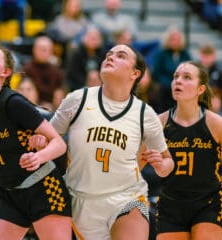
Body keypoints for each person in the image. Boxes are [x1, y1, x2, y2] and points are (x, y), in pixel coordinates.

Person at [48, 44, 174, 239]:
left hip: (127, 198)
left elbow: (168, 163)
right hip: (79, 200)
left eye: (120, 55)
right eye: (108, 54)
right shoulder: (77, 100)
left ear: (135, 73)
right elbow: (48, 137)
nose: (110, 57)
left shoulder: (144, 113)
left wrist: (160, 165)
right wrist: (40, 139)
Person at [0, 42, 72, 240]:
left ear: (6, 72)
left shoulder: (14, 103)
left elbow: (59, 144)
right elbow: (6, 133)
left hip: (44, 188)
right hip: (10, 192)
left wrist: (39, 157)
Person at [156, 61, 222, 240]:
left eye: (186, 77)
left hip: (209, 203)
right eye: (176, 77)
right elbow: (136, 164)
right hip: (171, 204)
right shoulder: (159, 123)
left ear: (200, 89)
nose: (178, 81)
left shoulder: (215, 123)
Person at [152, 25, 192, 113]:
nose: (175, 42)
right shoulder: (161, 54)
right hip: (165, 88)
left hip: (182, 85)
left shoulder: (185, 54)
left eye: (177, 39)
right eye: (172, 39)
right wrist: (172, 83)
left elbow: (190, 70)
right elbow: (156, 73)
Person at [22, 35, 65, 106]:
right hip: (32, 106)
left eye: (45, 50)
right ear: (34, 50)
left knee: (59, 94)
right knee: (27, 88)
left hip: (52, 108)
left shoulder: (56, 71)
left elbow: (60, 93)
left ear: (51, 52)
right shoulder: (26, 69)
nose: (42, 53)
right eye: (40, 49)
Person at [198, 43, 222, 110]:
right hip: (199, 106)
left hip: (218, 107)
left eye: (209, 56)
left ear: (214, 56)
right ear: (200, 56)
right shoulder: (196, 71)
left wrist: (219, 99)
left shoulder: (221, 71)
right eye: (204, 56)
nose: (206, 59)